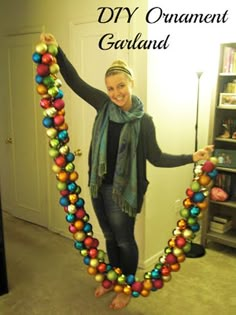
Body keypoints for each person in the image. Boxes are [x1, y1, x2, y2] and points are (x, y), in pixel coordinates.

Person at [40, 33, 214, 310]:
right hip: (98, 185)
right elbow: (74, 81)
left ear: (131, 83)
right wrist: (56, 50)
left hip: (123, 192)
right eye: (110, 88)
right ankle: (113, 279)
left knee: (124, 240)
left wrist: (191, 157)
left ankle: (127, 287)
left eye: (120, 85)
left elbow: (157, 158)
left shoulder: (144, 122)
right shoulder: (103, 105)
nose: (116, 93)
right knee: (109, 237)